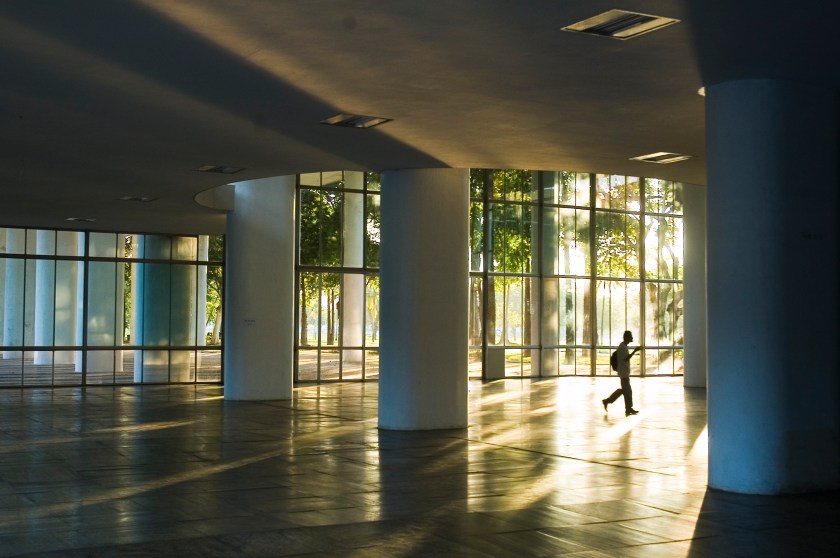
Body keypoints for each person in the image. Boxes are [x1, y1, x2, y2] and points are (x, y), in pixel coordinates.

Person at [602, 330, 640, 416]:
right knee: (627, 391)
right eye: (630, 336)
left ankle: (609, 401)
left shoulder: (623, 346)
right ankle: (627, 407)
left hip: (624, 372)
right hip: (623, 373)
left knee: (625, 390)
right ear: (626, 337)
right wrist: (635, 351)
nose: (632, 337)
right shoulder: (622, 348)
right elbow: (626, 359)